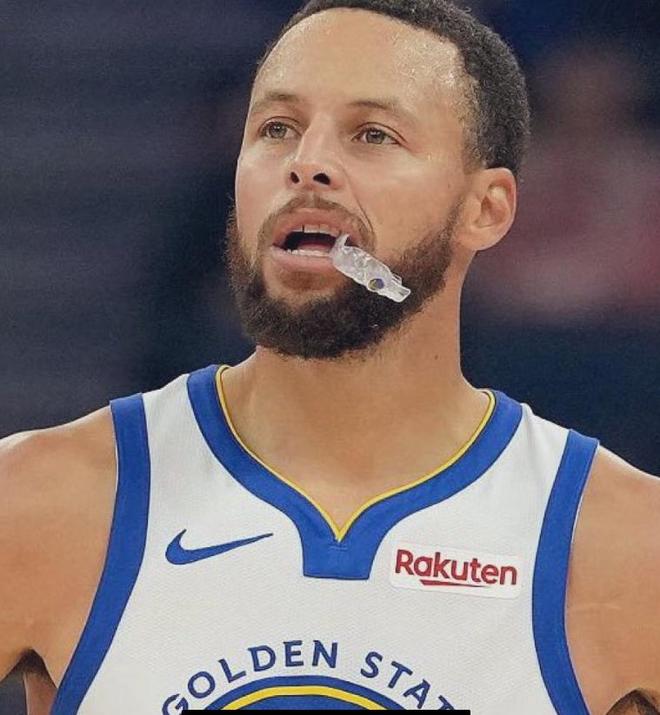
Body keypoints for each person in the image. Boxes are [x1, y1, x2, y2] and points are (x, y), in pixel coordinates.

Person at [1, 1, 658, 713]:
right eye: (277, 129)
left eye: (373, 134)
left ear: (486, 209)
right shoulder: (44, 498)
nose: (307, 164)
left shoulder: (623, 544)